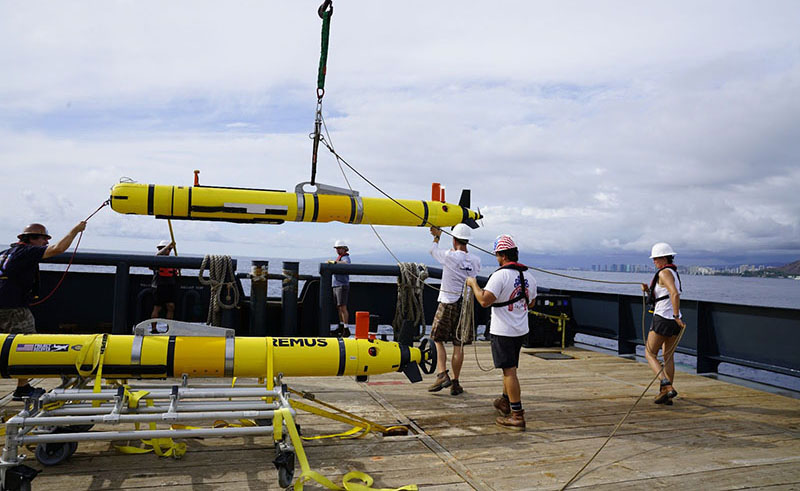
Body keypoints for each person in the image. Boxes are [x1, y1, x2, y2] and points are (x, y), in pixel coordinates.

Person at [0, 221, 87, 400]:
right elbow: (57, 249)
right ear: (32, 239)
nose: (46, 243)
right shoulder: (27, 252)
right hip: (13, 308)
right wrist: (75, 230)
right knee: (25, 346)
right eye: (43, 239)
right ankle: (23, 388)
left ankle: (23, 386)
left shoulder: (5, 253)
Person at [466, 234, 536, 430]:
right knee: (511, 367)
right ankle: (505, 402)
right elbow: (531, 302)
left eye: (497, 254)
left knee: (509, 372)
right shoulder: (529, 276)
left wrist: (472, 283)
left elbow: (484, 300)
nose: (496, 258)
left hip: (504, 330)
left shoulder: (500, 275)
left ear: (502, 255)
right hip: (520, 329)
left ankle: (517, 415)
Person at [427, 224, 481, 396]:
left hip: (448, 301)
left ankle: (442, 374)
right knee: (459, 345)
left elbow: (432, 250)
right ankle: (455, 383)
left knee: (437, 338)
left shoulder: (449, 256)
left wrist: (437, 236)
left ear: (454, 239)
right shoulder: (476, 260)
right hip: (465, 305)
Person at [640, 242, 685, 405]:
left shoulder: (664, 273)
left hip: (664, 318)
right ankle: (665, 394)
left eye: (656, 259)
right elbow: (665, 294)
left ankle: (665, 383)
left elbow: (674, 294)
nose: (654, 262)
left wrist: (674, 315)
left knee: (649, 353)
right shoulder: (672, 272)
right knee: (668, 356)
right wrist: (647, 290)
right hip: (673, 320)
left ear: (664, 258)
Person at [151, 240, 179, 320]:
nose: (169, 251)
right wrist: (169, 245)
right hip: (159, 286)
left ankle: (168, 328)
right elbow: (157, 255)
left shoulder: (172, 261)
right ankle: (154, 329)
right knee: (157, 308)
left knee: (171, 306)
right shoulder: (157, 259)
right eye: (168, 249)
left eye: (170, 249)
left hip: (169, 285)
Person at [331, 240, 351, 337]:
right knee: (339, 307)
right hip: (336, 285)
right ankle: (341, 326)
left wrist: (335, 263)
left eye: (339, 248)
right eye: (337, 249)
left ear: (344, 249)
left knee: (342, 306)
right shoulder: (340, 258)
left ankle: (346, 329)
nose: (338, 250)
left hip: (342, 285)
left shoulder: (345, 258)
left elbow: (346, 264)